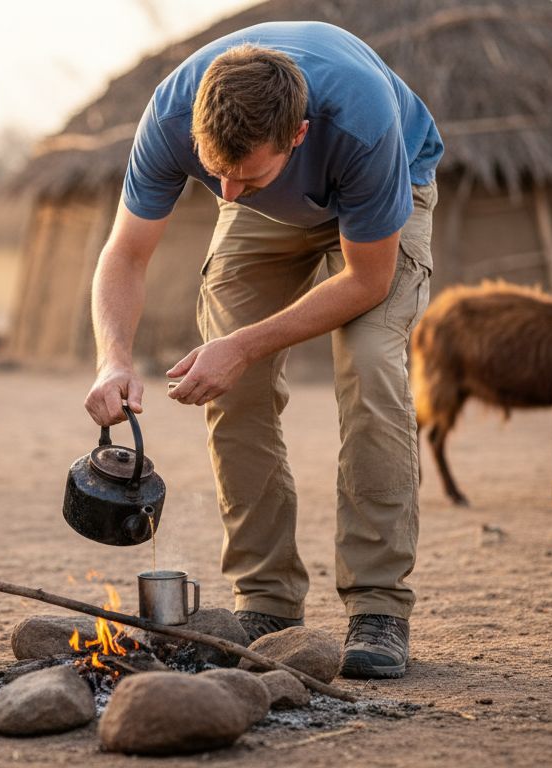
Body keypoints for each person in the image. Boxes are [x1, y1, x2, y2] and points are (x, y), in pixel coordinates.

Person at [84, 22, 443, 679]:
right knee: (233, 389)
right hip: (270, 215)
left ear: (298, 135)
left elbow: (369, 280)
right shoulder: (172, 114)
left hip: (384, 205)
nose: (223, 194)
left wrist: (242, 345)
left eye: (245, 176)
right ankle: (268, 603)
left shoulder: (361, 121)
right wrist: (113, 358)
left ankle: (378, 607)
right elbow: (126, 253)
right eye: (214, 172)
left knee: (370, 370)